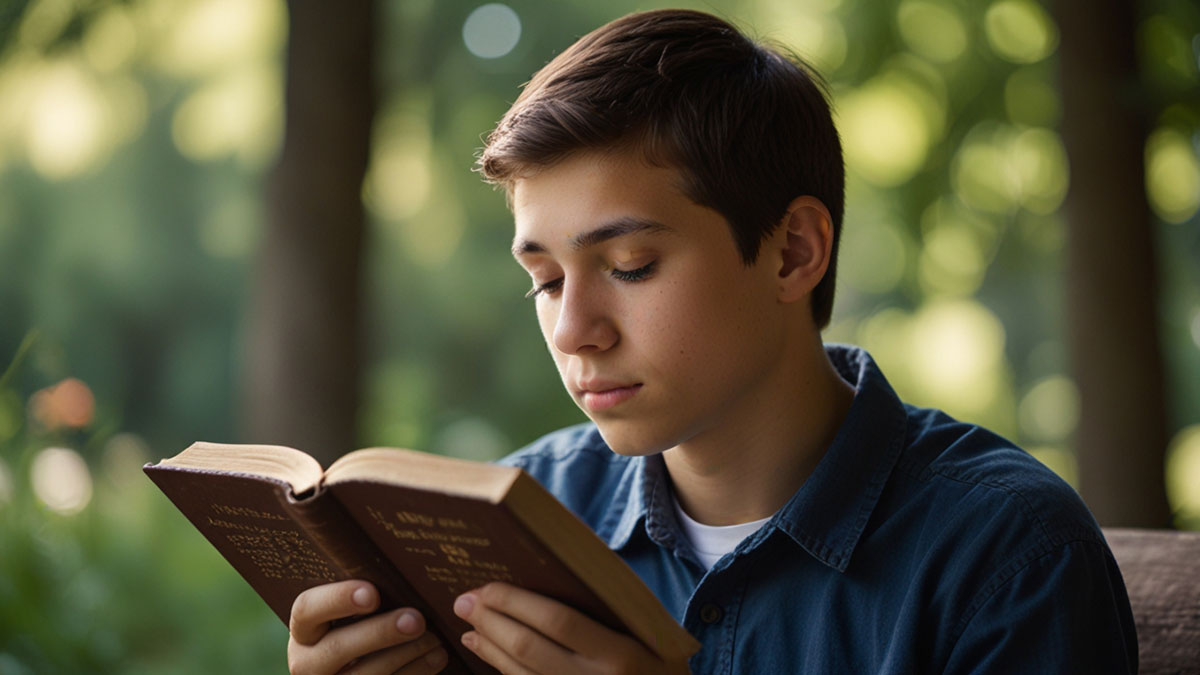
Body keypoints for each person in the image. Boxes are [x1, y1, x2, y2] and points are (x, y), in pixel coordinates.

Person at [287, 9, 1138, 674]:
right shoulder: (513, 524)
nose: (573, 330)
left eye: (629, 265)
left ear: (793, 251)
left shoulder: (1009, 555)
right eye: (545, 281)